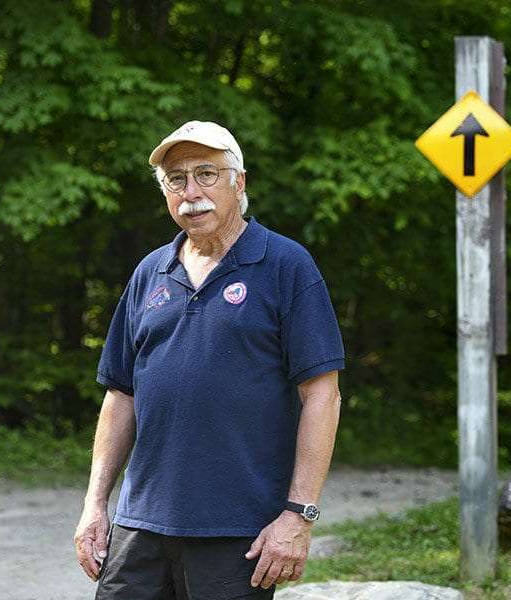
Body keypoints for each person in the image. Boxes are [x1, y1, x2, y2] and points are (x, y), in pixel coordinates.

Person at [74, 121, 345, 599]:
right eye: (176, 179)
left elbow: (322, 393)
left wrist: (299, 515)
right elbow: (120, 395)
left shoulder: (285, 265)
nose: (191, 191)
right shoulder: (151, 271)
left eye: (207, 174)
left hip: (238, 532)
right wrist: (95, 504)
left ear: (238, 183)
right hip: (140, 525)